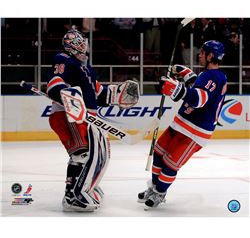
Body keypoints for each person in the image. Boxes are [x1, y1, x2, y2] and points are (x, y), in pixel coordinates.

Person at [46, 29, 139, 212]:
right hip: (68, 115)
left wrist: (117, 94)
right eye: (79, 42)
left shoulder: (86, 67)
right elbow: (54, 83)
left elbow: (98, 94)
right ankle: (72, 195)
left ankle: (85, 185)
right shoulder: (63, 58)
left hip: (86, 119)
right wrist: (65, 94)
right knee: (82, 154)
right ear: (70, 45)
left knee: (97, 156)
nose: (83, 45)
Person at [138, 40, 227, 209]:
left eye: (202, 53)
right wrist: (186, 74)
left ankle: (160, 193)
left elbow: (199, 99)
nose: (199, 55)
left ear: (210, 56)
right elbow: (197, 86)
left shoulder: (216, 77)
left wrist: (177, 89)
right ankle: (155, 187)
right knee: (158, 153)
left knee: (171, 163)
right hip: (181, 123)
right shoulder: (207, 74)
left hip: (195, 131)